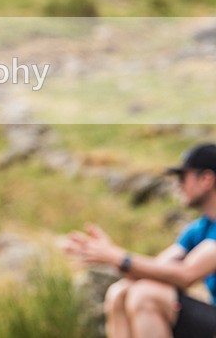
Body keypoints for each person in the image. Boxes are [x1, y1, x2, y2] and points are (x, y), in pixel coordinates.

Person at [64, 143, 216, 338]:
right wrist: (109, 255)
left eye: (182, 177)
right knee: (120, 292)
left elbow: (186, 274)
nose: (178, 185)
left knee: (147, 296)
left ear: (206, 179)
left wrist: (119, 257)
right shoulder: (199, 229)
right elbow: (157, 269)